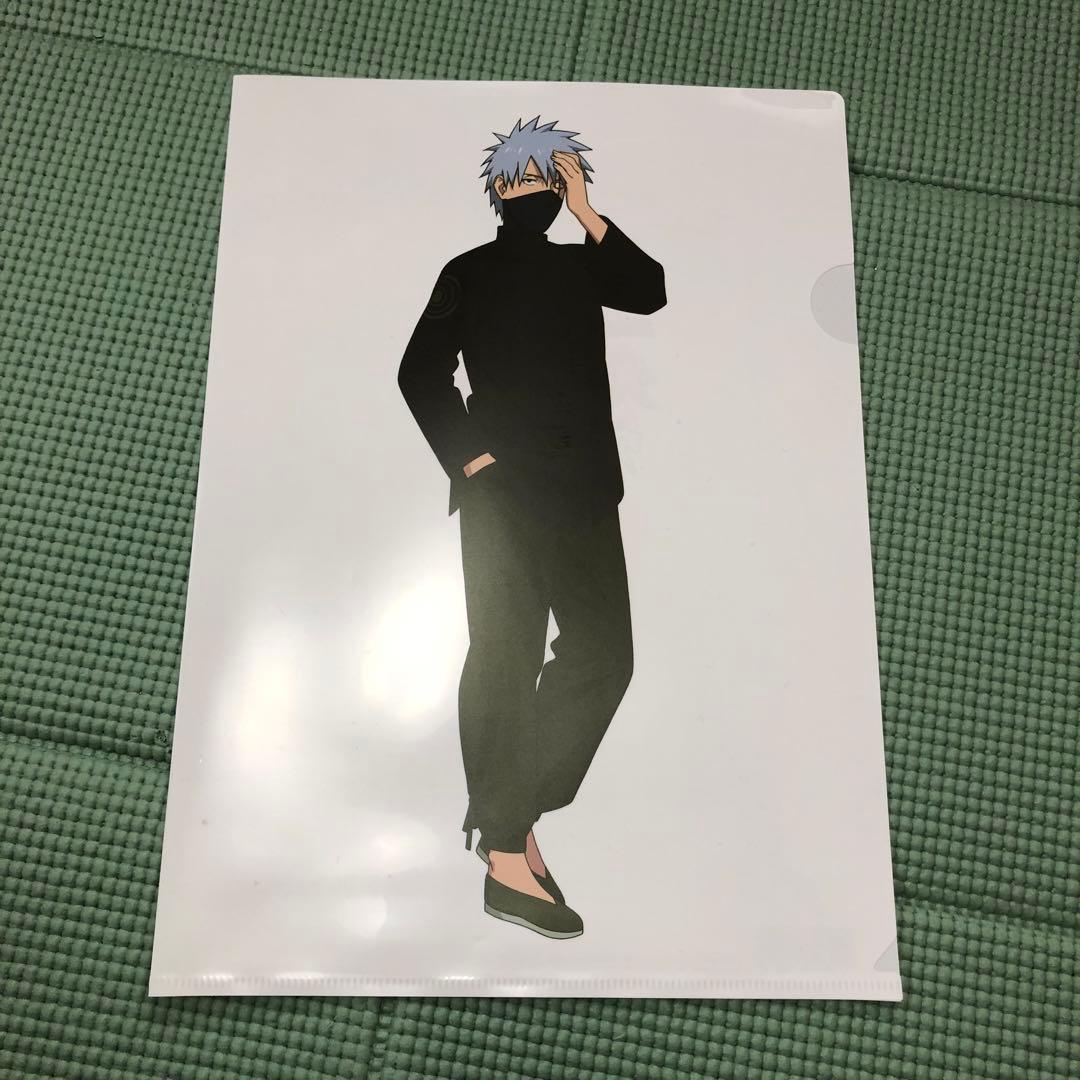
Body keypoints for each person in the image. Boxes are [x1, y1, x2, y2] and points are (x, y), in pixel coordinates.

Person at [397, 116, 666, 938]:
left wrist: (588, 211)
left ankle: (503, 817)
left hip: (584, 490)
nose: (534, 194)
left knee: (605, 655)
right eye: (521, 180)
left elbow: (648, 289)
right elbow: (419, 371)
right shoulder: (467, 272)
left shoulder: (583, 266)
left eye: (551, 181)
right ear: (497, 191)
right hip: (501, 495)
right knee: (504, 654)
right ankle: (508, 858)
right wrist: (473, 461)